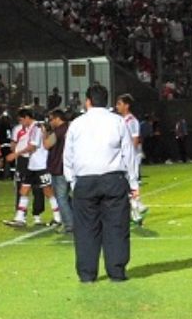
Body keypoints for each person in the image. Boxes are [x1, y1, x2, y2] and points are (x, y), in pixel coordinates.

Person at [64, 84, 138, 282]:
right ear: (106, 101)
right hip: (113, 179)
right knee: (116, 227)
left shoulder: (76, 124)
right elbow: (128, 153)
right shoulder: (118, 121)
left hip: (85, 181)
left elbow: (68, 157)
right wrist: (133, 183)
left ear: (87, 101)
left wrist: (73, 182)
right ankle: (117, 271)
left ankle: (87, 274)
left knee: (85, 229)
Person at [3, 108, 62, 227]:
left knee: (47, 191)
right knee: (24, 190)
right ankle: (20, 218)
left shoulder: (37, 127)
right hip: (32, 165)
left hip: (41, 164)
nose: (21, 123)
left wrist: (16, 154)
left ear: (27, 118)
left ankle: (58, 217)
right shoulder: (31, 128)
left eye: (21, 120)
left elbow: (32, 147)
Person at [115, 94, 148, 224]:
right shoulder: (121, 120)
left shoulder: (131, 121)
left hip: (130, 157)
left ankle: (137, 209)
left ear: (127, 105)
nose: (117, 106)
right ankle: (137, 208)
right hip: (125, 156)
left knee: (131, 182)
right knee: (128, 183)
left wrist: (130, 155)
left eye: (119, 103)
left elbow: (135, 139)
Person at [44, 108, 73, 233]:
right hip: (69, 167)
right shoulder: (70, 128)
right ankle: (74, 221)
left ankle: (69, 225)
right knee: (66, 197)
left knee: (61, 198)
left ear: (57, 119)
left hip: (59, 168)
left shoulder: (59, 131)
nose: (50, 122)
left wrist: (44, 133)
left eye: (51, 119)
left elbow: (46, 144)